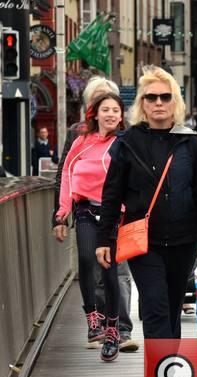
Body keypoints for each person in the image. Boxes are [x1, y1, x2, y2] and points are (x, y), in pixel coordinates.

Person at [95, 65, 197, 340]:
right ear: (142, 104)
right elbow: (112, 194)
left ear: (175, 102)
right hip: (143, 241)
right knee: (155, 307)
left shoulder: (190, 143)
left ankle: (171, 375)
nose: (158, 102)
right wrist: (104, 238)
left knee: (172, 307)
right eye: (151, 97)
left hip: (184, 240)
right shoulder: (128, 142)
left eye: (165, 96)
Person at [53, 76, 139, 353]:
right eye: (105, 109)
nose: (111, 114)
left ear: (121, 114)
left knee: (112, 272)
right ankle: (93, 319)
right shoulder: (81, 141)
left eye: (115, 109)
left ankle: (114, 331)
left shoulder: (128, 141)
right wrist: (61, 213)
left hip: (117, 214)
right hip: (87, 210)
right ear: (94, 112)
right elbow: (66, 174)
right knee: (87, 260)